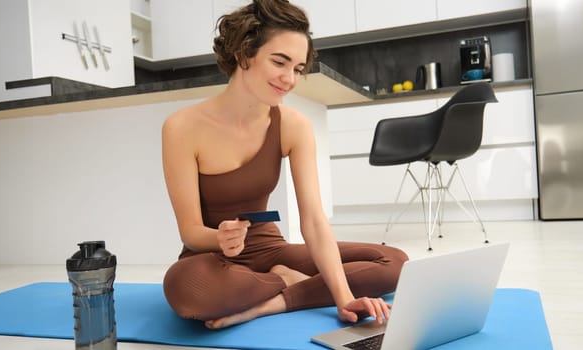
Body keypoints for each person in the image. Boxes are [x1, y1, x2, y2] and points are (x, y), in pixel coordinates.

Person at [160, 0, 408, 330]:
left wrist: (344, 297)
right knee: (190, 291)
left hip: (268, 249)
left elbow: (314, 220)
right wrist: (219, 239)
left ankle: (277, 298)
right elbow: (190, 232)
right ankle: (286, 282)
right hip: (210, 257)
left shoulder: (293, 125)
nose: (290, 79)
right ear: (243, 53)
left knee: (394, 262)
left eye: (298, 68)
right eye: (280, 62)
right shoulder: (181, 128)